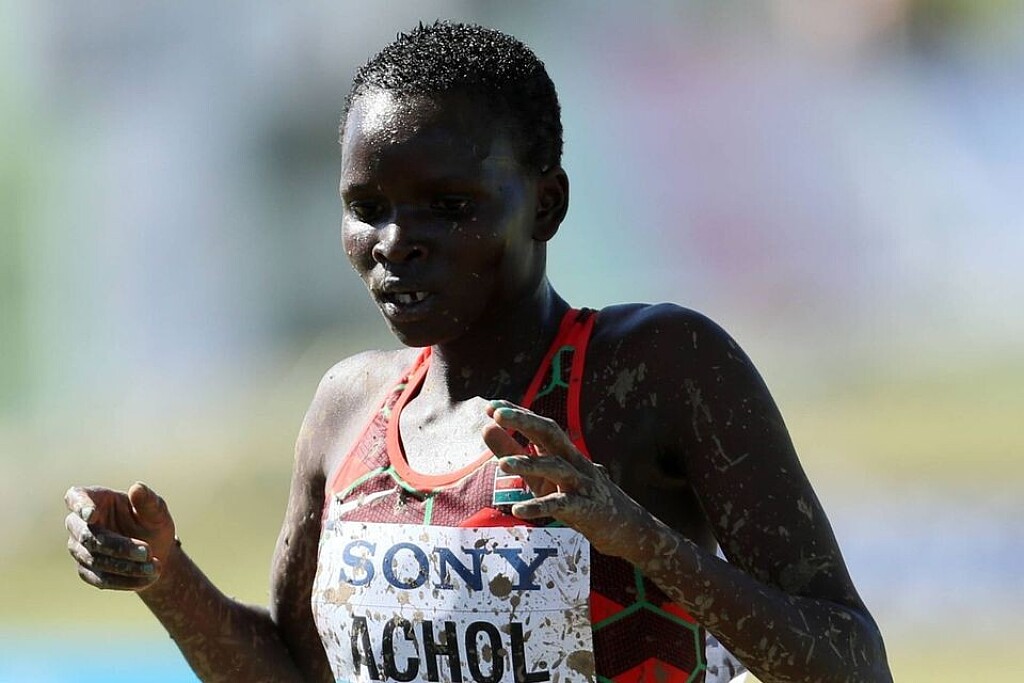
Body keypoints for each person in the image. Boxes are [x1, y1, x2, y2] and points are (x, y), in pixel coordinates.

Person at [64, 21, 892, 683]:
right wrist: (166, 576)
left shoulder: (655, 370)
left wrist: (639, 538)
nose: (396, 241)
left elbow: (852, 664)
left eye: (449, 205)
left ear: (547, 204)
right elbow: (301, 672)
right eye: (367, 206)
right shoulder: (348, 409)